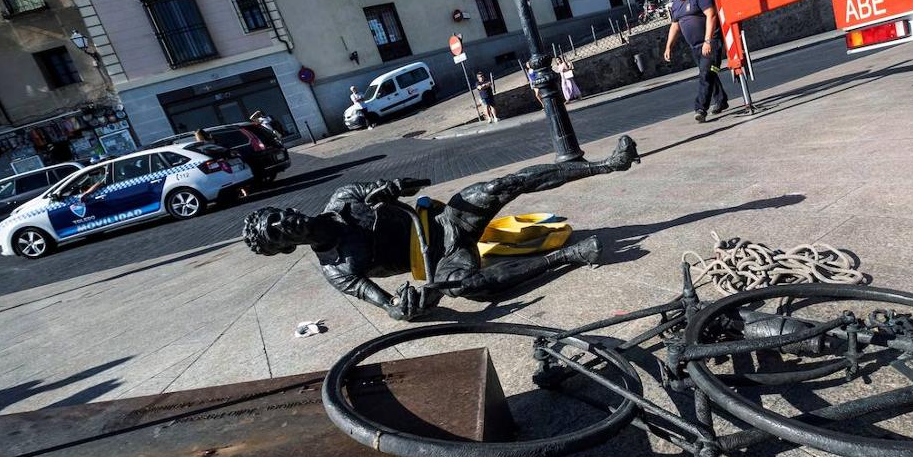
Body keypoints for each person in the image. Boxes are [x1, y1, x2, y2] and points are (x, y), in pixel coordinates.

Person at [242, 135, 640, 322]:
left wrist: (397, 186)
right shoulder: (339, 271)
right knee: (468, 288)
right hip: (442, 262)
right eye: (278, 232)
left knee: (498, 186)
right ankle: (567, 255)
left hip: (446, 219)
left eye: (279, 216)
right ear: (286, 249)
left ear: (288, 207)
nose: (285, 223)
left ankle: (608, 164)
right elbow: (393, 309)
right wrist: (411, 306)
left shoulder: (346, 197)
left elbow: (417, 185)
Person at [662, 0, 728, 123]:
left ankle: (700, 109)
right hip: (695, 47)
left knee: (706, 73)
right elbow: (675, 26)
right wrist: (668, 47)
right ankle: (721, 100)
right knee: (710, 73)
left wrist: (708, 41)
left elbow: (711, 15)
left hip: (711, 42)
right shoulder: (676, 4)